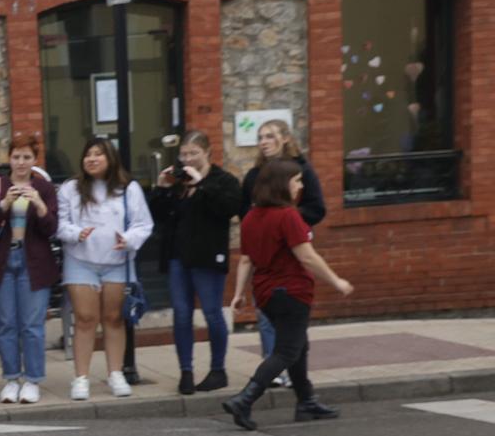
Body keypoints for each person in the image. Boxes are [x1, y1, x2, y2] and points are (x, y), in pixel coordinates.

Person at [223, 156, 353, 431]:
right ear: (283, 184)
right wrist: (336, 280)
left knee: (298, 347)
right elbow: (307, 257)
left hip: (266, 294)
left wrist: (239, 294)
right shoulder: (287, 216)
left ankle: (306, 401)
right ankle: (244, 399)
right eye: (296, 181)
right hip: (292, 292)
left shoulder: (250, 217)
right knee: (285, 351)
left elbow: (246, 259)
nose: (301, 186)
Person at [57, 137, 153, 401]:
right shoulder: (71, 188)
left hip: (117, 263)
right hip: (80, 261)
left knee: (113, 318)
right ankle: (81, 378)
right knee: (86, 319)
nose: (92, 159)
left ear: (110, 158)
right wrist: (76, 233)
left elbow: (143, 224)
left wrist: (129, 239)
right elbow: (60, 225)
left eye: (99, 154)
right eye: (88, 154)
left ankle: (115, 373)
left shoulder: (128, 188)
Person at [151, 130, 242, 395]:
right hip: (179, 256)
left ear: (207, 153)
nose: (188, 159)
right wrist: (162, 188)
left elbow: (229, 208)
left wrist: (200, 184)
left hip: (207, 256)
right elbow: (159, 216)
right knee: (181, 314)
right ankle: (186, 372)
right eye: (184, 154)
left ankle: (218, 370)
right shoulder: (179, 182)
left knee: (212, 312)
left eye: (194, 154)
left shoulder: (222, 180)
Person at [239, 118, 326, 376]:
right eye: (260, 137)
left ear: (285, 138)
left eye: (269, 136)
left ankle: (292, 374)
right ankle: (273, 366)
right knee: (266, 314)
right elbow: (244, 212)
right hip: (265, 252)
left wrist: (286, 220)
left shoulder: (302, 170)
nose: (264, 142)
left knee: (292, 314)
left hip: (293, 249)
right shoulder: (255, 175)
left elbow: (317, 208)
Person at [0, 136, 59, 405]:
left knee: (32, 326)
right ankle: (12, 379)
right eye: (16, 157)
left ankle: (32, 380)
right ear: (9, 158)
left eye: (27, 157)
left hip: (33, 263)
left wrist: (38, 202)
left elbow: (51, 228)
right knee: (6, 325)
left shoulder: (44, 187)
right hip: (3, 263)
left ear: (35, 160)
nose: (21, 162)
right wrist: (3, 204)